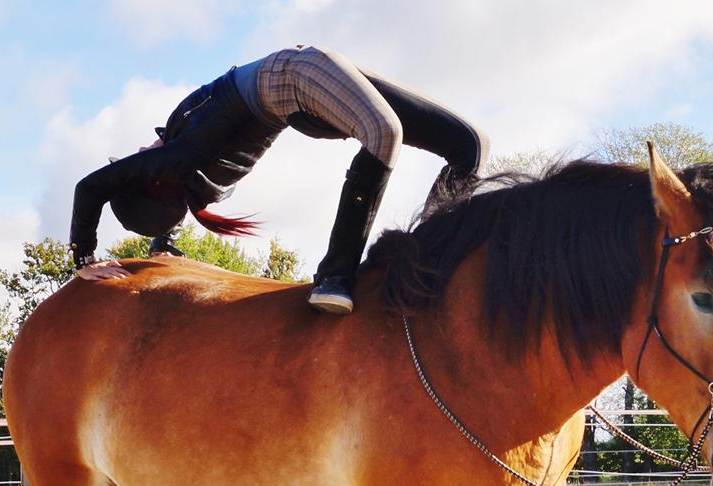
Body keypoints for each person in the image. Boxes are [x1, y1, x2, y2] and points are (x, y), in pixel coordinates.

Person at [69, 46, 488, 314]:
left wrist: (83, 258)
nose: (139, 152)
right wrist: (97, 261)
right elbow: (91, 188)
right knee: (421, 139)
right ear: (154, 184)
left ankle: (406, 264)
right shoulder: (180, 163)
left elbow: (98, 188)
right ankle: (344, 275)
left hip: (294, 72)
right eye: (136, 162)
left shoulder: (180, 158)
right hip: (298, 82)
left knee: (462, 144)